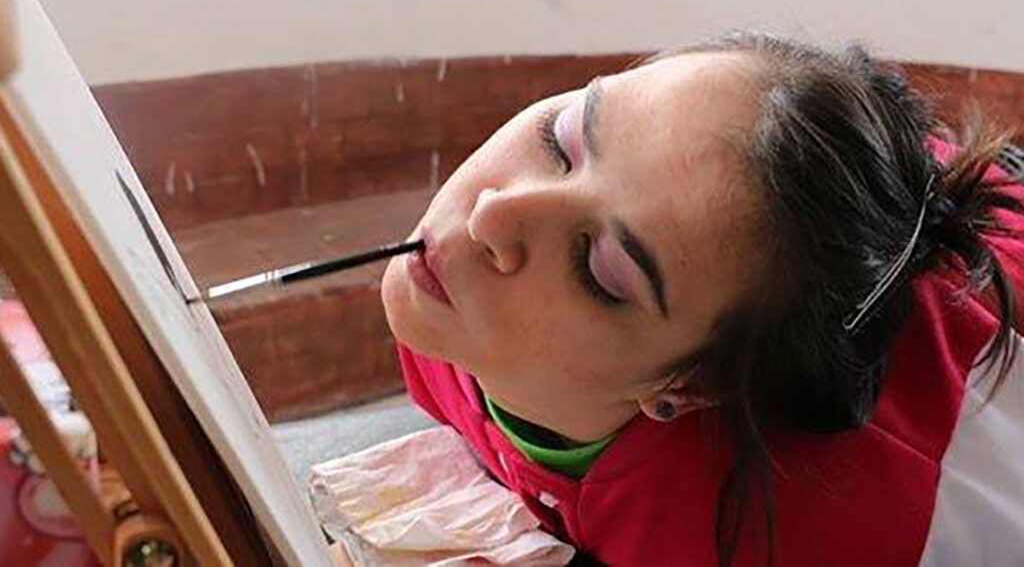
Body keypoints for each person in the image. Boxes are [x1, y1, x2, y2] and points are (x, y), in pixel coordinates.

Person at [381, 33, 1024, 565]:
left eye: (600, 270)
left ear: (687, 388)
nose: (492, 213)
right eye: (563, 139)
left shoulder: (750, 540)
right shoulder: (452, 302)